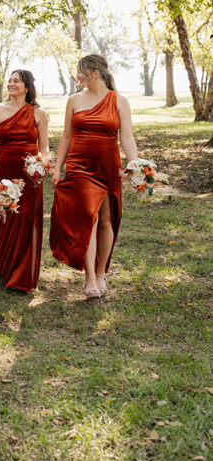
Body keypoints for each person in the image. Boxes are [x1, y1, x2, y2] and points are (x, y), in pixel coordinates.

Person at [50, 54, 137, 298]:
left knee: (107, 220)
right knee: (89, 218)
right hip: (79, 166)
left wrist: (135, 165)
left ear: (95, 73)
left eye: (81, 72)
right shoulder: (74, 100)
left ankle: (101, 273)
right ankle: (89, 278)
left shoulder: (119, 100)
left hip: (108, 166)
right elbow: (66, 137)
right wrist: (58, 167)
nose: (77, 76)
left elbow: (127, 137)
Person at [0, 70, 49, 292]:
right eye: (10, 80)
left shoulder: (38, 113)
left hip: (29, 175)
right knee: (4, 217)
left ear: (27, 86)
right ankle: (6, 268)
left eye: (17, 81)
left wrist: (42, 165)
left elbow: (44, 146)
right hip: (3, 170)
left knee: (26, 219)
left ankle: (24, 274)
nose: (11, 84)